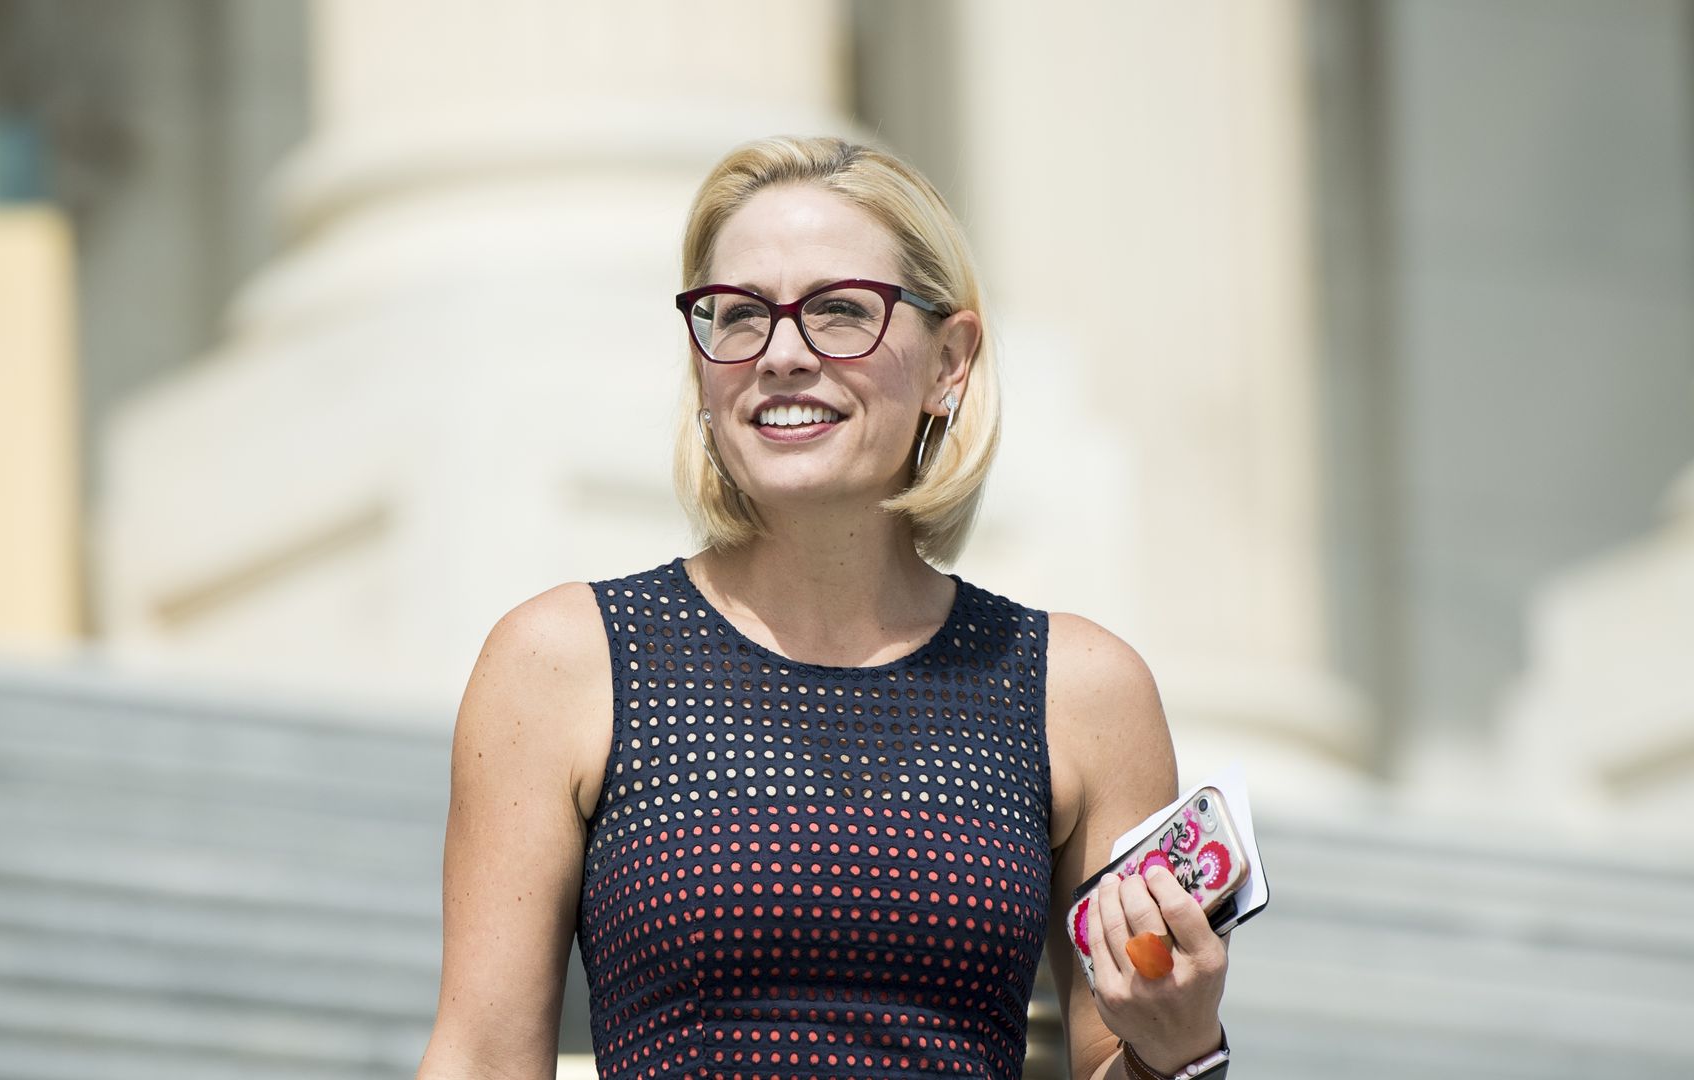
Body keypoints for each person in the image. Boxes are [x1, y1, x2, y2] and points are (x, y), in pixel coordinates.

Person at [419, 136, 1231, 1080]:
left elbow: (1116, 1062)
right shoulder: (562, 661)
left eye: (841, 311)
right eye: (739, 317)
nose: (783, 356)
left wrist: (1179, 1049)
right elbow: (480, 1055)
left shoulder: (1082, 691)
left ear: (949, 362)